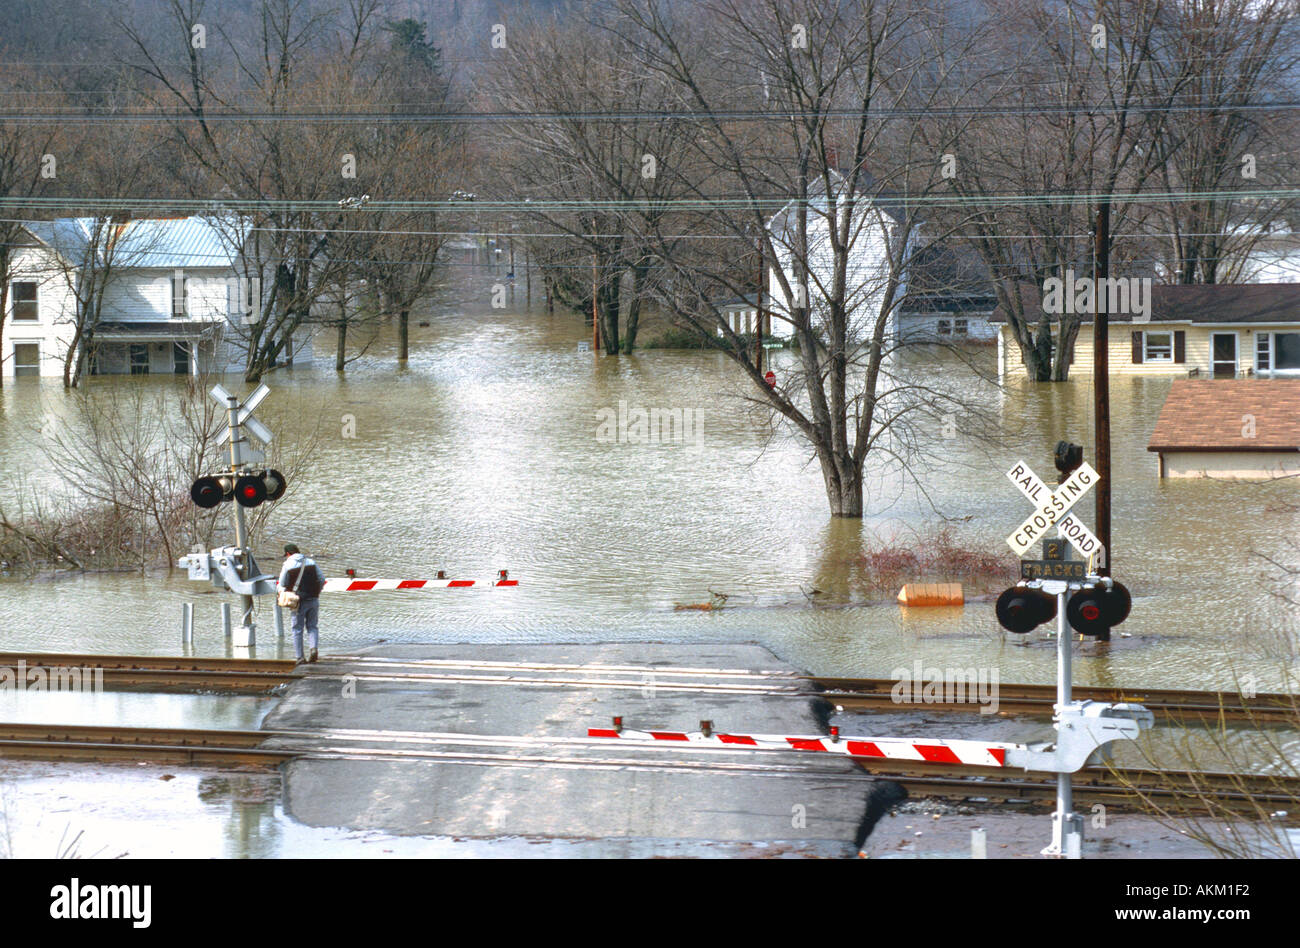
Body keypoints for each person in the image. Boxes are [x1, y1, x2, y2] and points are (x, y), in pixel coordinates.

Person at [279, 543, 327, 663]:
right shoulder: (311, 562)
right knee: (312, 626)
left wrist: (282, 593)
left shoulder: (287, 564)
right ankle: (313, 649)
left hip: (298, 601)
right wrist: (317, 591)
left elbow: (282, 583)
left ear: (288, 554)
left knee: (297, 629)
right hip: (313, 598)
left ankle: (300, 657)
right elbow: (321, 579)